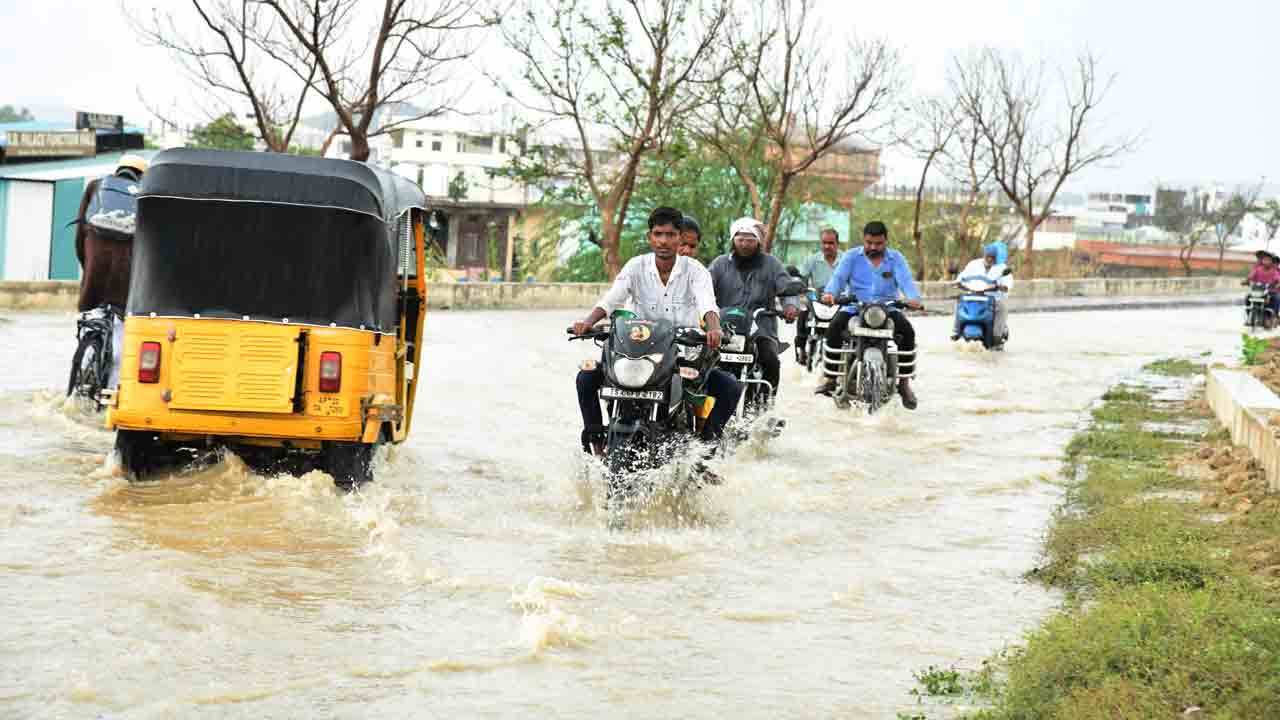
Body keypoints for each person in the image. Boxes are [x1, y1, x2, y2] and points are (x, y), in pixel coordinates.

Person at [572, 207, 742, 454]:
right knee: (586, 378)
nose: (664, 241)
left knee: (730, 387)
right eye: (658, 233)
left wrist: (714, 328)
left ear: (680, 237)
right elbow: (612, 299)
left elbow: (707, 304)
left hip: (681, 354)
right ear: (650, 236)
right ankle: (597, 441)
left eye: (671, 234)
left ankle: (704, 453)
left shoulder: (696, 270)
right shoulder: (635, 266)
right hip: (634, 353)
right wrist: (588, 322)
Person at [815, 220, 923, 409]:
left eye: (878, 243)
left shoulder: (896, 259)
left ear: (886, 241)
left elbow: (907, 283)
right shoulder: (851, 257)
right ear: (864, 240)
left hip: (887, 309)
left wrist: (913, 299)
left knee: (908, 332)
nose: (873, 247)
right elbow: (838, 279)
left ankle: (904, 384)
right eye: (869, 243)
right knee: (833, 328)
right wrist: (830, 294)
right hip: (855, 307)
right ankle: (831, 378)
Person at [707, 218, 801, 408]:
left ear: (758, 241)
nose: (744, 244)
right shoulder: (719, 264)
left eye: (750, 240)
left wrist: (790, 306)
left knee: (770, 360)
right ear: (733, 240)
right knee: (703, 360)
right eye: (740, 239)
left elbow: (786, 287)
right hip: (724, 329)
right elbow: (704, 290)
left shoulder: (772, 264)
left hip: (761, 329)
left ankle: (766, 405)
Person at [74, 153, 148, 389]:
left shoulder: (96, 187)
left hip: (95, 268)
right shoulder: (146, 195)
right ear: (142, 174)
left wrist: (87, 267)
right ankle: (111, 393)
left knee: (91, 318)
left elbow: (80, 234)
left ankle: (82, 371)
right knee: (121, 340)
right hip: (125, 276)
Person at [795, 227, 843, 365]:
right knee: (803, 313)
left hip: (839, 299)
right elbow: (802, 278)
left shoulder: (845, 260)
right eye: (824, 243)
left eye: (831, 243)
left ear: (837, 244)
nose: (827, 246)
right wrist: (802, 289)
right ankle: (802, 349)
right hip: (817, 297)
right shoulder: (812, 260)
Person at [953, 243, 1013, 344]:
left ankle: (997, 335)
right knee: (959, 302)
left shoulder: (1002, 267)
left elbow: (1007, 284)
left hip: (993, 298)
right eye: (988, 256)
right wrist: (958, 282)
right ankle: (955, 330)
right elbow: (962, 277)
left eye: (992, 257)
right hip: (973, 296)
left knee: (1002, 307)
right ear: (984, 255)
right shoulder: (973, 264)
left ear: (996, 257)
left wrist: (999, 286)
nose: (990, 259)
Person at [1246, 250, 1280, 327]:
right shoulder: (1257, 269)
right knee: (1247, 297)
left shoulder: (1274, 271)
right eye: (1263, 259)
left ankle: (1273, 317)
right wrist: (1246, 280)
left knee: (1277, 298)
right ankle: (1250, 316)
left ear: (1271, 261)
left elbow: (1278, 279)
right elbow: (1251, 276)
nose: (1265, 261)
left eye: (1268, 260)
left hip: (1271, 291)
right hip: (1258, 290)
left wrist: (1277, 284)